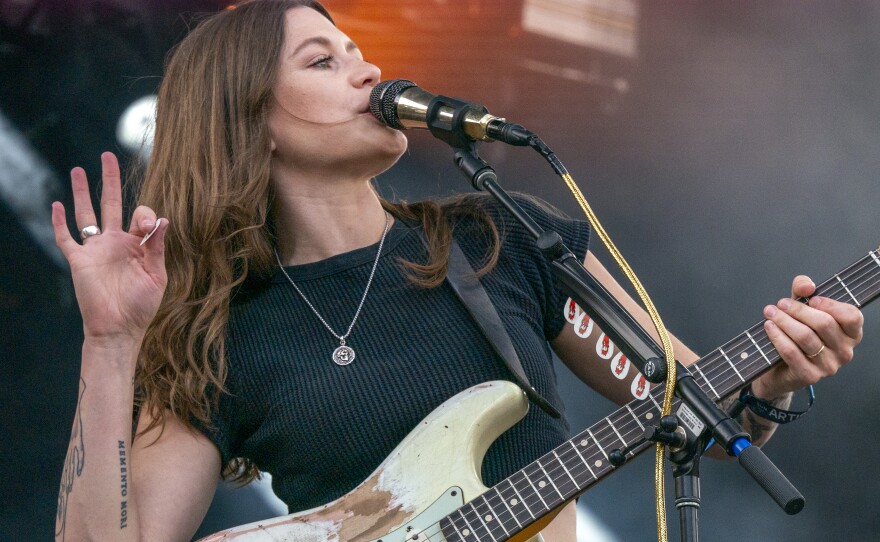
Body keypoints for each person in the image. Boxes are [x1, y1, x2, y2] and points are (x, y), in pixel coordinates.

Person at [51, 1, 864, 540]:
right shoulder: (223, 336)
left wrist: (776, 381)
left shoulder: (499, 237)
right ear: (249, 119)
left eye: (357, 50)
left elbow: (703, 415)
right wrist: (109, 342)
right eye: (322, 62)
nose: (369, 72)